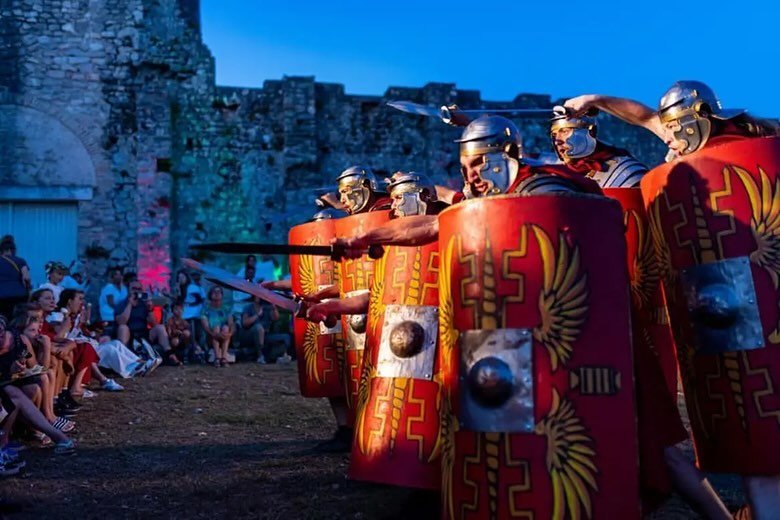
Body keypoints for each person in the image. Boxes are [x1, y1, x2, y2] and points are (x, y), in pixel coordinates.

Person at [567, 81, 780, 518]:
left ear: (706, 115)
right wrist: (596, 100)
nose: (675, 136)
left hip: (764, 293)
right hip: (727, 311)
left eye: (682, 125)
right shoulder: (688, 141)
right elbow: (644, 116)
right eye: (672, 127)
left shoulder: (758, 141)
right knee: (754, 433)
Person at [58, 289, 124, 393]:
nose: (82, 302)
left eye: (83, 299)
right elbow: (62, 336)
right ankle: (105, 379)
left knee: (116, 343)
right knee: (103, 348)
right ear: (69, 301)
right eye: (79, 299)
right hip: (73, 348)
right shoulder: (60, 316)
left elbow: (85, 332)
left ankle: (138, 363)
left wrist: (92, 329)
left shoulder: (74, 317)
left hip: (83, 345)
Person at [115, 279, 178, 366]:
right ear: (129, 290)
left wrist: (150, 309)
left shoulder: (144, 303)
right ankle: (123, 359)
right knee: (123, 328)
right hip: (129, 334)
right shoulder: (122, 304)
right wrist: (129, 304)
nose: (136, 291)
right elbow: (122, 321)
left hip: (143, 333)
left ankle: (170, 354)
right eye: (134, 288)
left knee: (160, 328)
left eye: (139, 289)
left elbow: (154, 324)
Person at [200, 286, 234, 367]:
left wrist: (230, 334)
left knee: (226, 328)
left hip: (224, 335)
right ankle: (217, 358)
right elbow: (205, 327)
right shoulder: (206, 309)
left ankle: (223, 358)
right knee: (216, 328)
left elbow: (231, 324)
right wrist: (213, 334)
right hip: (210, 336)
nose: (217, 293)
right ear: (210, 295)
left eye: (219, 292)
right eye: (214, 292)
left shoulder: (226, 308)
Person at [239, 296, 278, 364]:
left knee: (284, 337)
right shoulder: (248, 307)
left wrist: (273, 307)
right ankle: (260, 355)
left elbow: (275, 318)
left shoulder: (267, 307)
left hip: (266, 334)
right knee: (258, 328)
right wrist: (257, 315)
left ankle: (274, 356)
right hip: (250, 334)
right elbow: (245, 323)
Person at [0, 236, 30, 320]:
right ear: (13, 250)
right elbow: (26, 278)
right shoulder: (20, 261)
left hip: (1, 296)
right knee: (18, 320)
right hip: (19, 296)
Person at [98, 267, 127, 331]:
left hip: (117, 318)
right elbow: (111, 303)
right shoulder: (109, 287)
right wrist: (122, 310)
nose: (120, 276)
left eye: (120, 275)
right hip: (108, 318)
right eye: (117, 275)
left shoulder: (122, 288)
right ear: (112, 277)